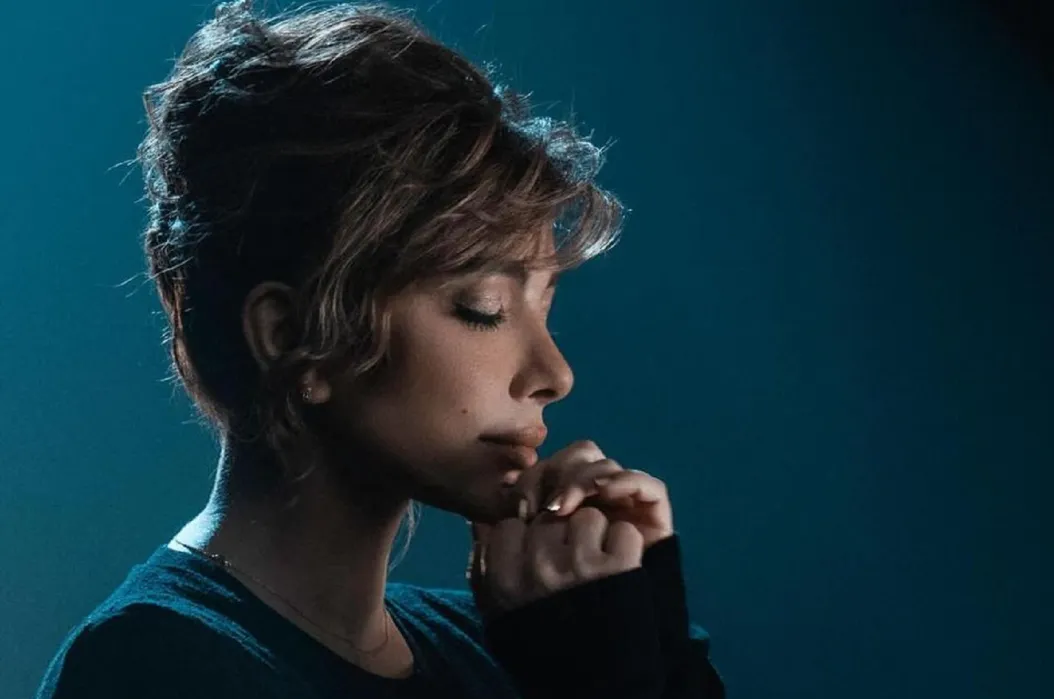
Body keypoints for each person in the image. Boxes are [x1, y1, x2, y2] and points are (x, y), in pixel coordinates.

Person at [35, 1, 723, 697]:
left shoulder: (510, 643)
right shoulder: (152, 665)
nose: (555, 373)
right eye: (483, 308)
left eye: (544, 308)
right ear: (292, 335)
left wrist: (656, 640)